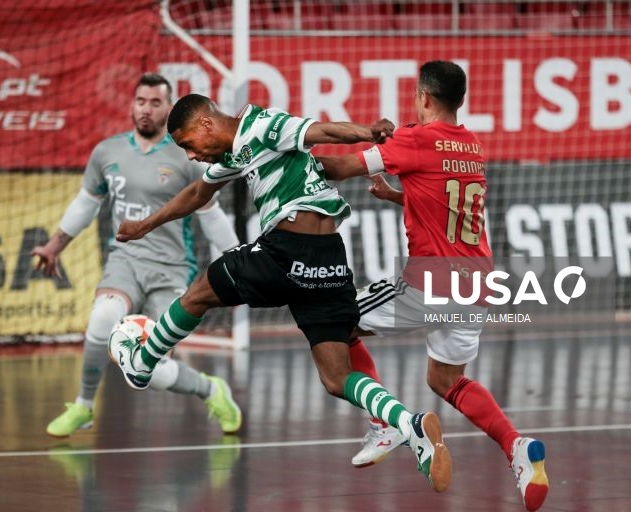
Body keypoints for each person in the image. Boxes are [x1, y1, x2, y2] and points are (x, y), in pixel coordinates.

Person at [110, 93, 453, 493]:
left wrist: (368, 132)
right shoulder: (232, 156)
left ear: (205, 124)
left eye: (188, 144)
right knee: (337, 377)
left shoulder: (262, 125)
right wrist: (145, 225)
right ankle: (409, 425)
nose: (190, 155)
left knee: (201, 291)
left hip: (288, 249)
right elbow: (197, 194)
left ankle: (142, 362)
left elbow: (319, 130)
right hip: (328, 260)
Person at [318, 60, 549, 511]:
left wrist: (287, 152)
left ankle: (385, 422)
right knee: (446, 379)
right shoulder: (473, 145)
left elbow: (341, 168)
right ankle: (516, 447)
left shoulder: (417, 138)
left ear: (423, 96)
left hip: (432, 282)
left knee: (331, 321)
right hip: (478, 283)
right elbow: (441, 194)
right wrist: (398, 195)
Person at [33, 74, 242, 438]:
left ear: (169, 108)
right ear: (132, 105)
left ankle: (212, 390)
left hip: (171, 269)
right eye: (141, 101)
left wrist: (240, 260)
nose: (146, 109)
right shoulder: (107, 152)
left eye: (156, 103)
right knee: (101, 322)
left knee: (150, 371)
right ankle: (83, 406)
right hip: (125, 262)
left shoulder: (188, 156)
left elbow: (211, 216)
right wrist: (54, 245)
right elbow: (86, 204)